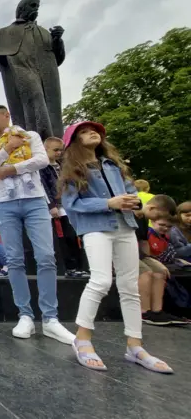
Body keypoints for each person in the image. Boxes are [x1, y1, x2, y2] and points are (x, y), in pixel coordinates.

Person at [60, 121, 172, 373]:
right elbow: (72, 204)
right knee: (100, 281)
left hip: (125, 226)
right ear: (74, 141)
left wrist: (134, 203)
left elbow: (130, 192)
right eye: (84, 132)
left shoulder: (114, 166)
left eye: (95, 131)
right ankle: (83, 339)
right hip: (96, 227)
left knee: (130, 286)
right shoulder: (73, 170)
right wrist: (108, 202)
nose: (93, 133)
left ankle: (135, 345)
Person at [0, 105, 74, 344]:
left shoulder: (29, 136)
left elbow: (43, 160)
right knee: (14, 260)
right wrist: (7, 149)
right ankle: (25, 315)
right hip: (5, 203)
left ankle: (50, 318)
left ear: (6, 116)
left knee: (46, 256)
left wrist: (14, 167)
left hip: (34, 200)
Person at [134, 195, 187, 326]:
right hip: (125, 252)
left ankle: (157, 311)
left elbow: (143, 241)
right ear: (152, 207)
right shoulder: (131, 215)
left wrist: (151, 259)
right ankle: (144, 312)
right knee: (146, 272)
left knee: (159, 271)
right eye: (158, 216)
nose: (156, 219)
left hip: (138, 253)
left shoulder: (144, 219)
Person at [39, 137, 88, 278]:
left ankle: (79, 266)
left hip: (69, 206)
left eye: (61, 150)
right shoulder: (42, 168)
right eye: (55, 150)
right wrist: (51, 206)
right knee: (64, 238)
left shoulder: (62, 166)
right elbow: (44, 187)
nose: (59, 153)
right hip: (57, 208)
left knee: (74, 237)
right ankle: (70, 268)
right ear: (45, 149)